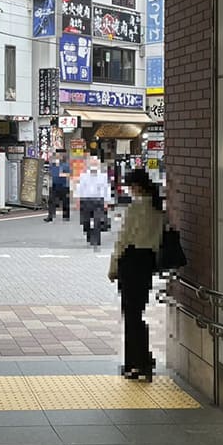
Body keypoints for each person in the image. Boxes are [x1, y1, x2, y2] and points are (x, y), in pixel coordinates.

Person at [109, 169, 164, 381]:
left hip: (131, 261)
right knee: (137, 313)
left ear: (137, 186)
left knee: (131, 315)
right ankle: (143, 360)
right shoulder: (158, 208)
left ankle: (136, 364)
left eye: (130, 187)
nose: (130, 191)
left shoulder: (136, 208)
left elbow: (123, 240)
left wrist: (113, 265)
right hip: (147, 262)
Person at [74, 156, 112, 247]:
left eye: (95, 163)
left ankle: (96, 240)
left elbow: (106, 189)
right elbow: (80, 188)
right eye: (92, 163)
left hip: (98, 201)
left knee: (97, 221)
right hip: (86, 200)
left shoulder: (103, 176)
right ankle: (89, 235)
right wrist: (78, 200)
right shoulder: (83, 176)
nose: (93, 165)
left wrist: (107, 201)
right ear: (88, 164)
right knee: (86, 222)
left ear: (98, 165)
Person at [44, 150, 71, 222]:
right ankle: (50, 216)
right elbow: (50, 173)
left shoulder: (66, 165)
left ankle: (66, 216)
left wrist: (63, 175)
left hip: (64, 185)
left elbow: (70, 174)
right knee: (51, 201)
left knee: (65, 201)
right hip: (55, 184)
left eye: (59, 155)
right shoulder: (53, 165)